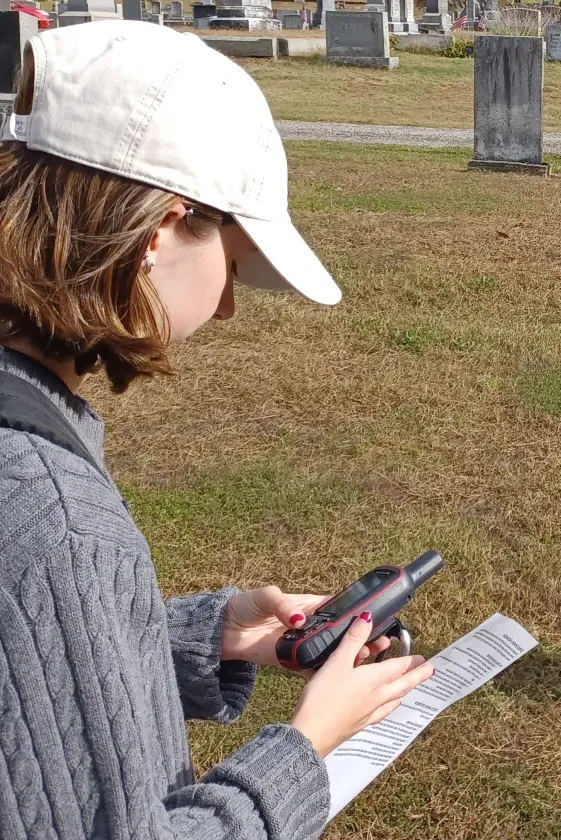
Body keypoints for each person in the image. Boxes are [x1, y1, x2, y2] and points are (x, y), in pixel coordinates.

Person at [0, 22, 437, 840]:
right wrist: (305, 748)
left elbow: (29, 674)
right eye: (233, 265)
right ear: (160, 231)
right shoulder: (59, 520)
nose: (230, 304)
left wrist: (207, 636)